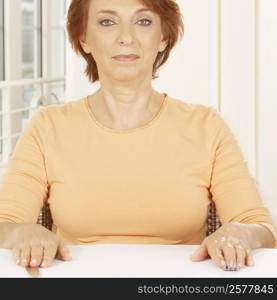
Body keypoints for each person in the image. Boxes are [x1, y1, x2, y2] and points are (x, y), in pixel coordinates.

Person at [0, 0, 276, 272]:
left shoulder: (207, 126)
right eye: (107, 22)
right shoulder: (47, 126)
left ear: (163, 38)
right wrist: (21, 233)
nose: (126, 38)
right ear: (84, 38)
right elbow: (5, 222)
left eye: (143, 21)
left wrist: (241, 233)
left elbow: (260, 227)